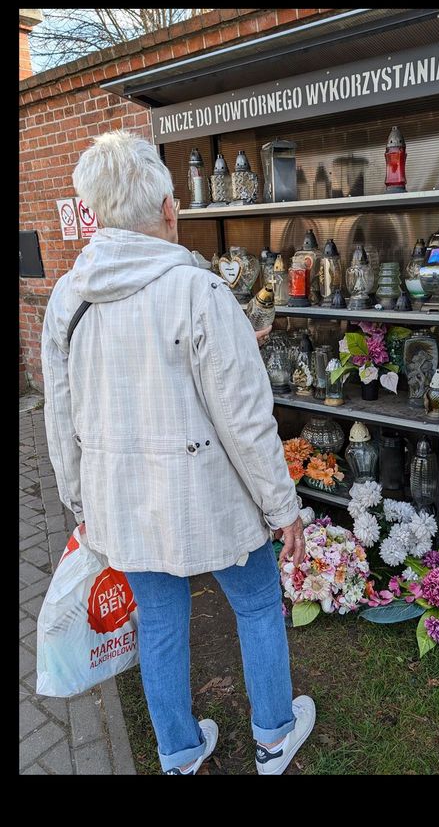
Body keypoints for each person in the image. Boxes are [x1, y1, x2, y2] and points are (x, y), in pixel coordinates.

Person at [41, 130, 315, 775]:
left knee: (159, 621)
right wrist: (284, 509)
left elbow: (62, 418)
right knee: (254, 603)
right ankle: (274, 734)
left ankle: (178, 752)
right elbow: (247, 421)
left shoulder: (67, 299)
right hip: (208, 499)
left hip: (119, 500)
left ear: (97, 213)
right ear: (168, 209)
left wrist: (78, 501)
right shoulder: (199, 293)